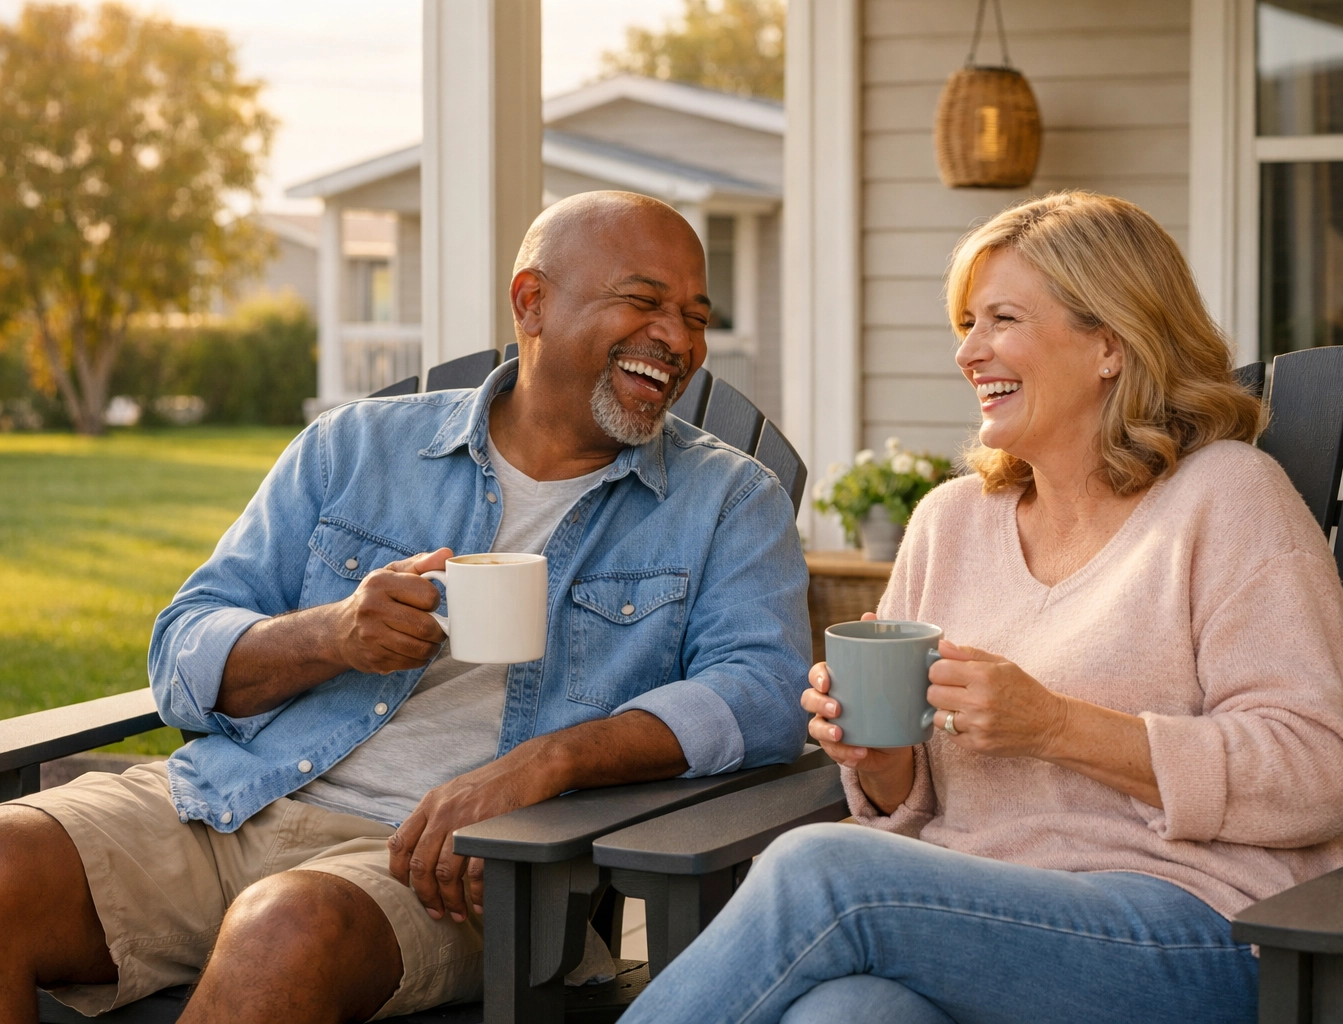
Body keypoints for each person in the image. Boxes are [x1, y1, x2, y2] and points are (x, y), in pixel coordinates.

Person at [0, 191, 811, 1024]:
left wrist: (547, 763)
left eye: (693, 316)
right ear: (531, 302)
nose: (678, 340)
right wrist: (333, 635)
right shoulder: (354, 446)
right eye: (643, 302)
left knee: (284, 928)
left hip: (444, 870)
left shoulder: (726, 500)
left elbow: (762, 691)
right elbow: (182, 655)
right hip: (229, 802)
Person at [620, 192, 1343, 1024]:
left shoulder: (1226, 497)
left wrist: (1054, 726)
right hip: (979, 928)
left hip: (1203, 933)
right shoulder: (951, 521)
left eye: (1002, 319)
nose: (968, 352)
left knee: (822, 871)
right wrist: (876, 757)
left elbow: (1317, 773)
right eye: (966, 322)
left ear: (1112, 343)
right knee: (849, 1015)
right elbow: (921, 798)